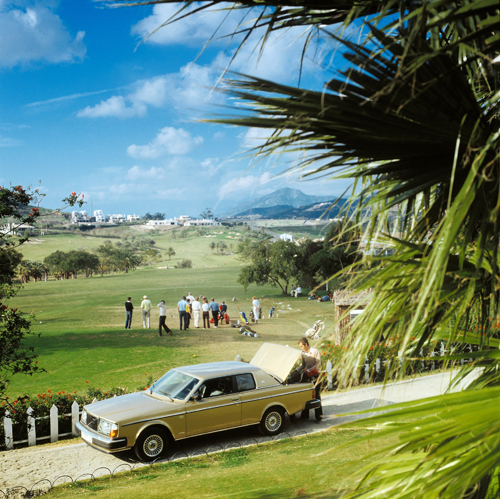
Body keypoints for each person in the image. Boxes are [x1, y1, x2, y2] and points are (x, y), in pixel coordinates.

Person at [298, 337, 323, 422]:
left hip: (316, 376)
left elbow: (318, 363)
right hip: (307, 376)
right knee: (306, 395)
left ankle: (319, 417)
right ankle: (305, 415)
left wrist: (310, 369)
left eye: (301, 346)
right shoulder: (303, 353)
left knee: (316, 396)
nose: (301, 348)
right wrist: (297, 370)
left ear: (306, 344)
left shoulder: (315, 351)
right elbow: (303, 365)